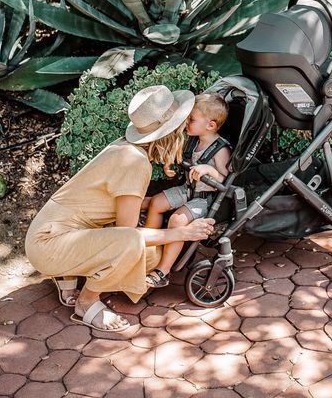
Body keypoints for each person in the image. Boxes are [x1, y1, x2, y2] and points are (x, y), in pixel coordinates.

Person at [25, 85, 215, 332]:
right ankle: (87, 301)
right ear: (170, 132)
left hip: (50, 235)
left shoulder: (125, 148)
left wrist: (159, 202)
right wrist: (183, 233)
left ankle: (67, 273)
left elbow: (118, 202)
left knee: (145, 253)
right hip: (49, 245)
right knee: (143, 254)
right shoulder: (136, 163)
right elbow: (127, 236)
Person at [144, 93, 231, 288]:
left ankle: (163, 271)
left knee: (177, 220)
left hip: (205, 198)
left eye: (191, 119)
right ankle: (150, 248)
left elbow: (226, 181)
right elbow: (179, 155)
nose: (186, 123)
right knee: (156, 202)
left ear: (210, 125)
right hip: (188, 189)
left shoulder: (220, 149)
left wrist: (209, 170)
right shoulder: (194, 139)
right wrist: (169, 163)